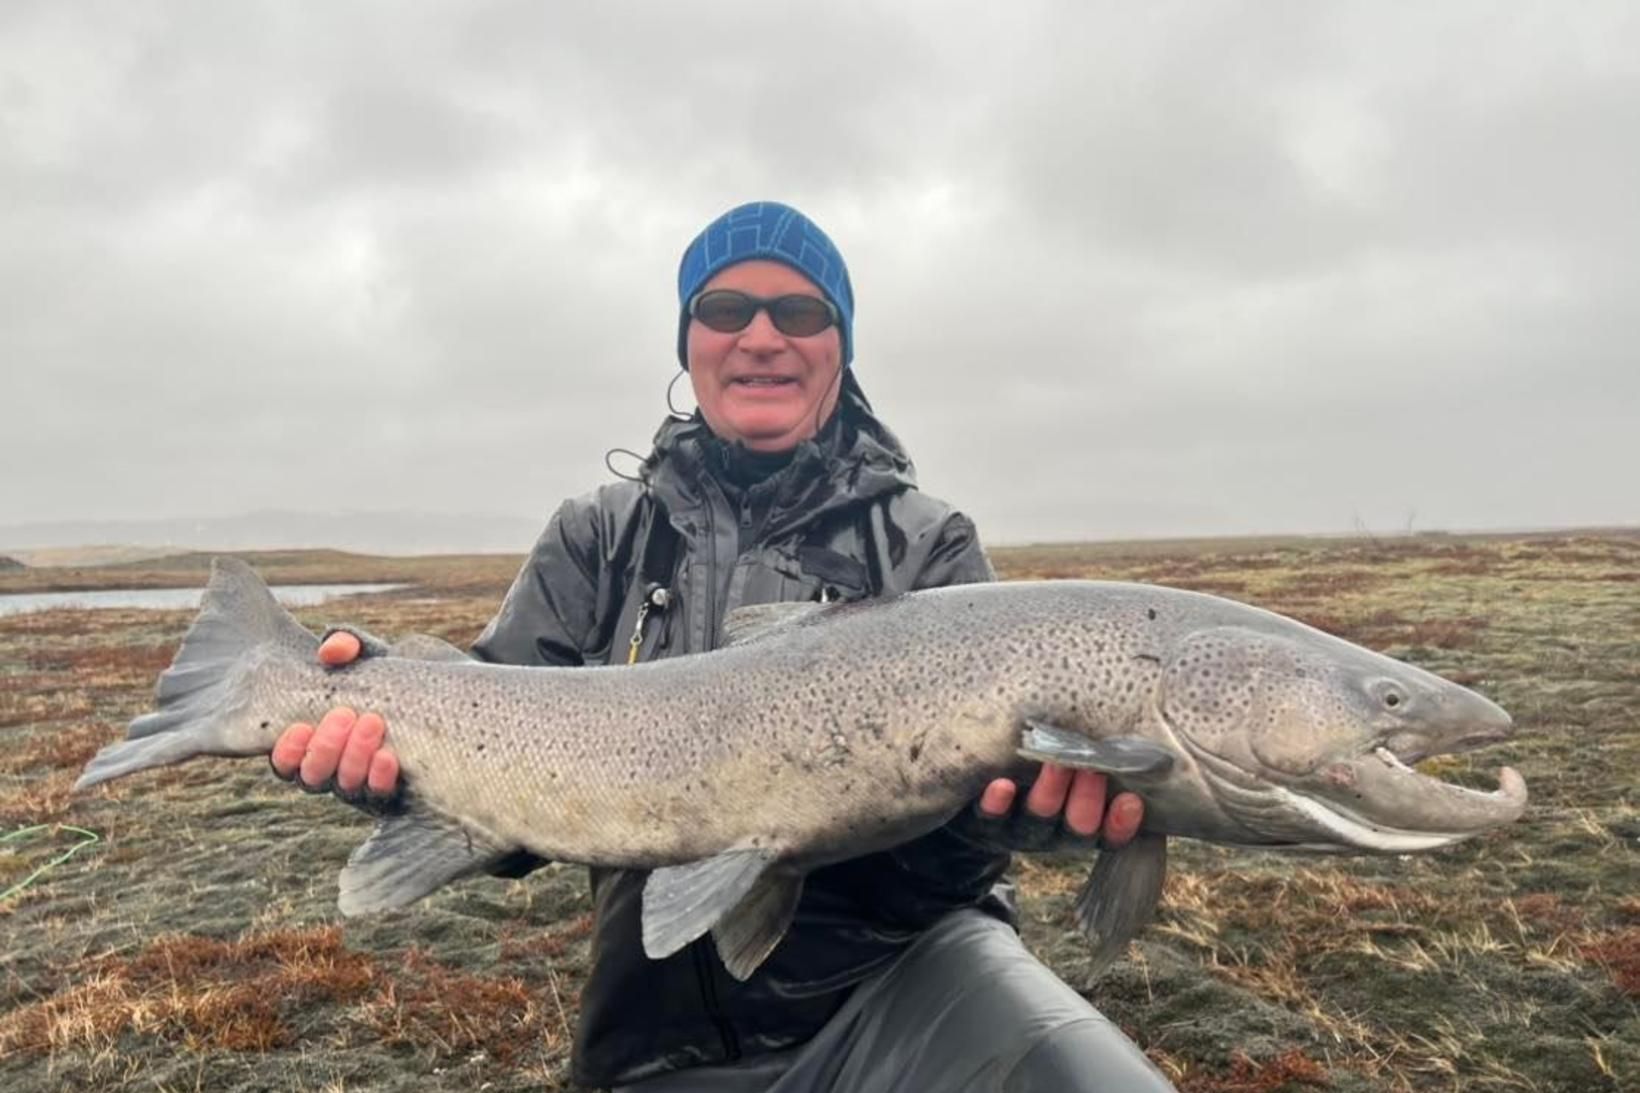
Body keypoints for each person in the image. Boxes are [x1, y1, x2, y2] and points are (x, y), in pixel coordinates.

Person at [270, 201, 1175, 1091]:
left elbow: (958, 857)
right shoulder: (597, 536)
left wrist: (1001, 818)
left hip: (907, 979)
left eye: (800, 311)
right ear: (688, 341)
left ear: (841, 345)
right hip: (655, 1030)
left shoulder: (929, 544)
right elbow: (507, 795)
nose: (762, 336)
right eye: (726, 309)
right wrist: (393, 765)